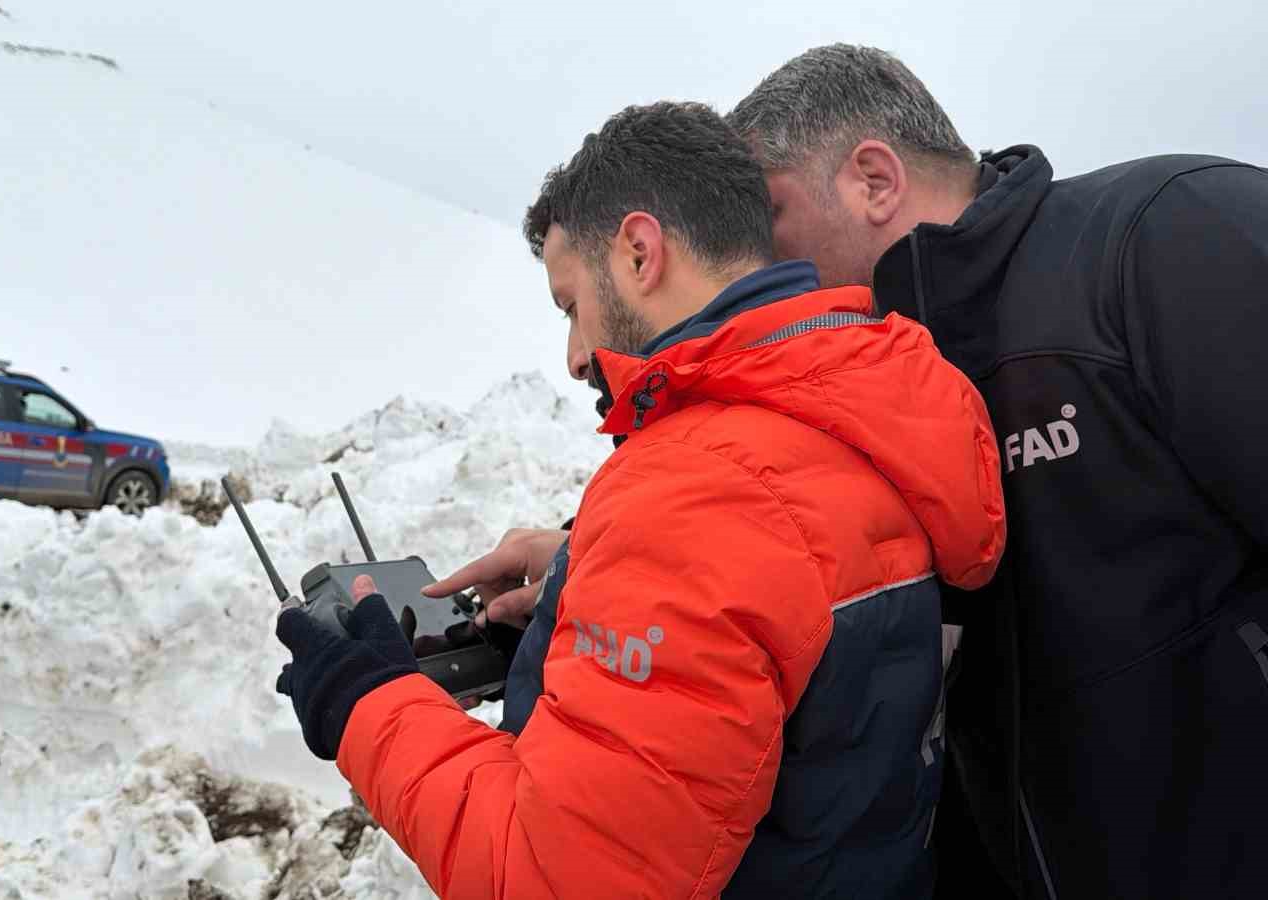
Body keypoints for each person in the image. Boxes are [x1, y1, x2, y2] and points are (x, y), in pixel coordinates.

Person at [273, 100, 1007, 898]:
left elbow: (555, 880)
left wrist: (368, 702)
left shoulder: (695, 494)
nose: (576, 355)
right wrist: (583, 601)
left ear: (637, 252)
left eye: (571, 305)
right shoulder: (869, 415)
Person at [720, 43, 1268, 900]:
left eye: (769, 218)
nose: (755, 266)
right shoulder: (861, 385)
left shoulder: (1168, 230)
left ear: (873, 180)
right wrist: (582, 562)